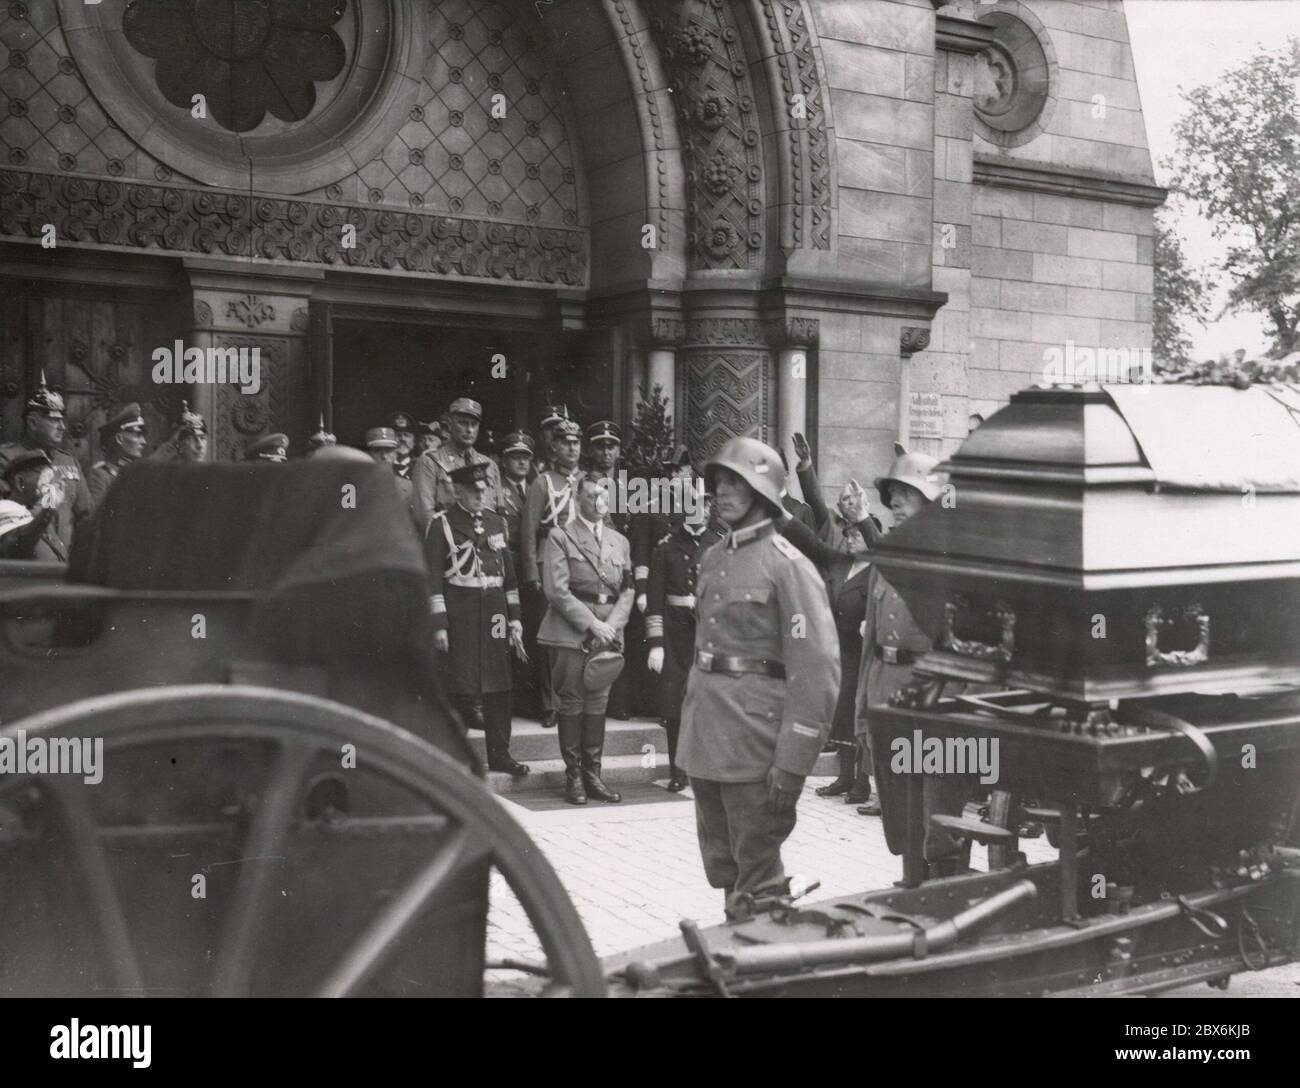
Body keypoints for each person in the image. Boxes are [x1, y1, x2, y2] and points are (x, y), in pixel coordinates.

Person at [679, 437, 838, 922]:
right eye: (718, 482)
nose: (721, 492)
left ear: (764, 492)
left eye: (735, 483)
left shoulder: (788, 567)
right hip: (707, 739)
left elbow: (817, 671)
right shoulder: (713, 558)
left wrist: (793, 763)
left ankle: (761, 967)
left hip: (755, 745)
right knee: (724, 867)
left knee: (759, 872)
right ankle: (737, 955)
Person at [853, 444, 969, 873]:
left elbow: (967, 653)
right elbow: (870, 649)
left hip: (935, 706)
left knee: (938, 828)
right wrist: (863, 715)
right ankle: (914, 898)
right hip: (887, 698)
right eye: (892, 493)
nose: (895, 502)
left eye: (905, 491)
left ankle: (946, 901)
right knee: (900, 825)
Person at [774, 480, 880, 804]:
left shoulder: (880, 568)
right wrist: (777, 511)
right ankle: (845, 776)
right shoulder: (840, 562)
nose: (851, 537)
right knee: (842, 711)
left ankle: (862, 782)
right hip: (838, 651)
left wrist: (862, 515)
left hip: (864, 652)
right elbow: (809, 542)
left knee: (860, 713)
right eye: (849, 533)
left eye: (858, 533)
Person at [537, 471, 635, 805]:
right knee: (572, 701)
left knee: (598, 702)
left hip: (608, 634)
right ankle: (574, 776)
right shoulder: (560, 536)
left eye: (604, 496)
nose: (599, 502)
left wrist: (611, 628)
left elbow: (629, 589)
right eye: (592, 495)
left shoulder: (619, 541)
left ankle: (594, 775)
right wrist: (593, 624)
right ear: (578, 497)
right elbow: (557, 591)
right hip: (572, 631)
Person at [426, 462, 529, 777]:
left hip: (495, 614)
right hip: (461, 615)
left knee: (499, 687)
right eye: (473, 490)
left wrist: (515, 619)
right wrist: (440, 623)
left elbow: (509, 577)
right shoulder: (442, 524)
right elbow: (431, 578)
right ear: (458, 491)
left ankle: (501, 755)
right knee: (460, 688)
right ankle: (454, 758)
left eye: (483, 489)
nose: (480, 495)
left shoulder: (497, 523)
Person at [645, 491, 724, 791]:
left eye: (704, 504)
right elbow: (654, 598)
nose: (700, 510)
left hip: (709, 634)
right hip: (675, 635)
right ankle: (678, 771)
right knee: (675, 703)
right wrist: (656, 644)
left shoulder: (719, 545)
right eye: (693, 504)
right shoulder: (666, 548)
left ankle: (704, 769)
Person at [521, 417, 582, 729]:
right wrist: (531, 571)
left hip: (581, 567)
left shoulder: (589, 482)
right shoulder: (542, 482)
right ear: (554, 447)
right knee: (550, 638)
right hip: (549, 564)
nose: (571, 447)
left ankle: (574, 700)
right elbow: (529, 530)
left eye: (575, 442)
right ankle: (549, 703)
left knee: (578, 634)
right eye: (564, 442)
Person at [0, 371, 94, 552]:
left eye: (62, 420)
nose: (62, 427)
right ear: (33, 423)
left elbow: (86, 516)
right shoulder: (5, 458)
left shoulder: (68, 461)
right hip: (24, 562)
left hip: (65, 563)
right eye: (54, 420)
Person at [585, 420, 641, 719]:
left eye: (611, 446)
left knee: (619, 633)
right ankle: (593, 702)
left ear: (619, 450)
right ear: (590, 450)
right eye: (600, 446)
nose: (606, 453)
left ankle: (618, 703)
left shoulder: (629, 487)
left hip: (622, 567)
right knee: (593, 631)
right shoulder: (584, 485)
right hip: (594, 568)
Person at [497, 431, 539, 717]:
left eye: (526, 457)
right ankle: (508, 701)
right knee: (509, 631)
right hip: (508, 563)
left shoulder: (538, 486)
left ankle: (529, 700)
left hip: (533, 567)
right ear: (503, 461)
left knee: (533, 631)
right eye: (515, 457)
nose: (522, 462)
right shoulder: (497, 489)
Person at [413, 397, 500, 528]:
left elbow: (499, 511)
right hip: (449, 544)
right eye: (463, 423)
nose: (469, 430)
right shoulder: (430, 461)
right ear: (449, 424)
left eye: (474, 424)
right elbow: (425, 515)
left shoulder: (490, 465)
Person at [0, 449, 67, 561]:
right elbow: (18, 545)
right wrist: (48, 508)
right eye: (44, 474)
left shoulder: (43, 519)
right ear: (20, 483)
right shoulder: (5, 508)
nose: (51, 483)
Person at [86, 403, 148, 506]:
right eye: (138, 435)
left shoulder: (135, 474)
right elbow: (95, 518)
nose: (144, 442)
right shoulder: (100, 476)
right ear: (119, 438)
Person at [366, 427, 416, 526]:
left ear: (395, 454)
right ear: (368, 453)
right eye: (377, 450)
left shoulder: (409, 486)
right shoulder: (352, 486)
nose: (384, 456)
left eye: (389, 451)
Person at [389, 411, 418, 479]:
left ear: (414, 442)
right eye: (398, 435)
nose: (402, 439)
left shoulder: (419, 466)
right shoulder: (382, 465)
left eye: (407, 435)